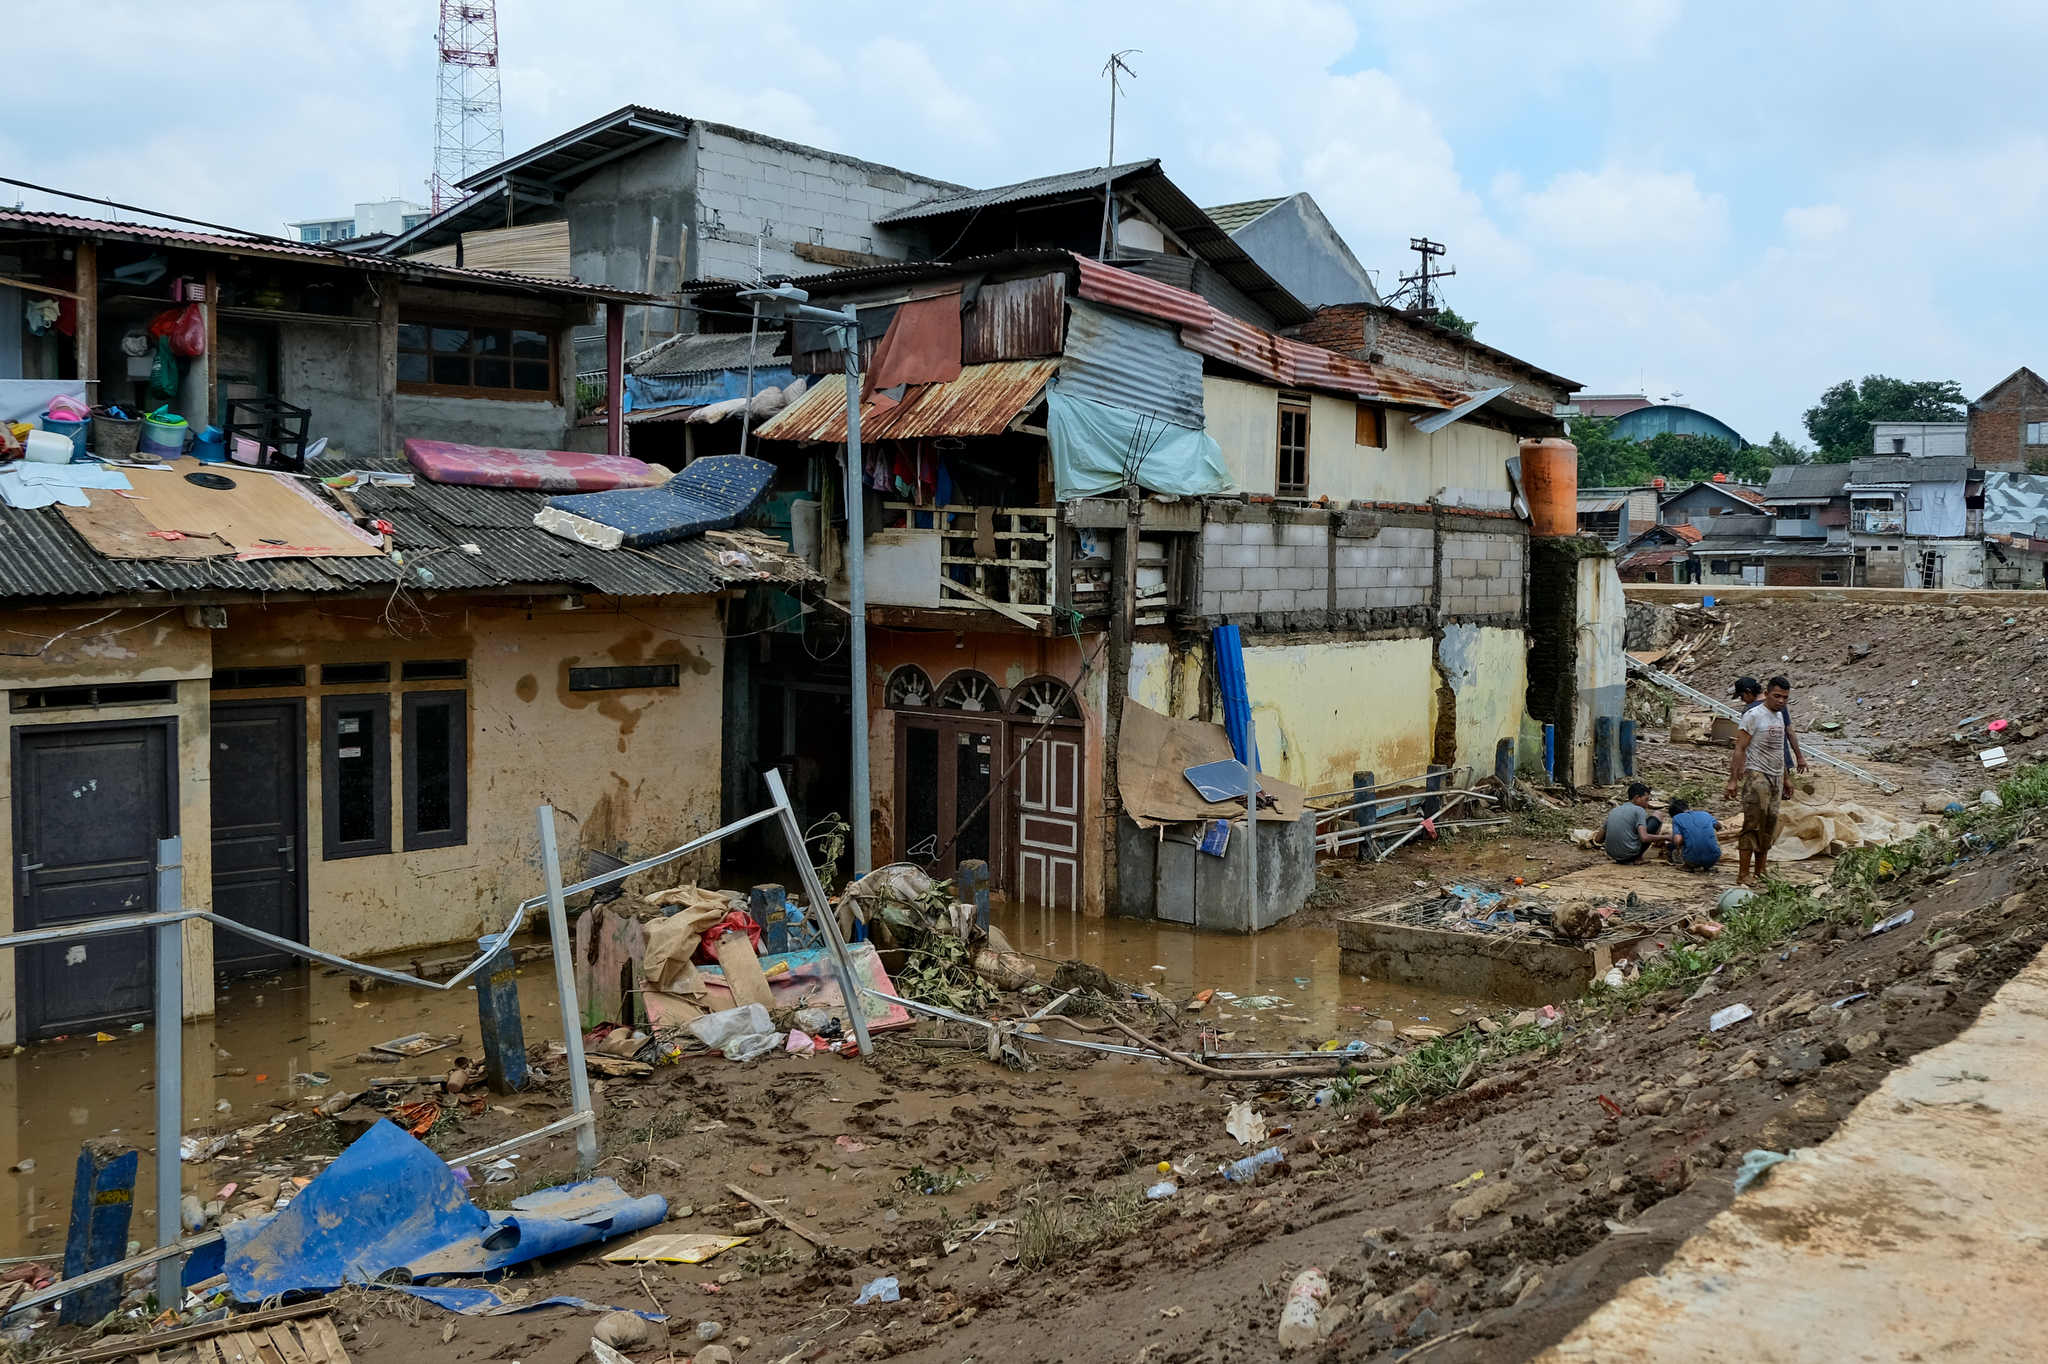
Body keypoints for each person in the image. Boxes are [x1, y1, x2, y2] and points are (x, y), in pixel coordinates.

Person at [1725, 675, 1794, 884]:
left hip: (1776, 776)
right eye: (1777, 696)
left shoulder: (1780, 716)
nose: (1781, 701)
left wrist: (1786, 778)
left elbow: (1779, 751)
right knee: (1753, 824)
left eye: (1785, 697)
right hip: (1757, 776)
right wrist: (1733, 780)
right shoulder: (1753, 715)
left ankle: (1760, 870)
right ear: (1767, 693)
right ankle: (1743, 873)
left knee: (1769, 826)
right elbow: (1739, 749)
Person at [1731, 675, 1806, 777]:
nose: (1743, 700)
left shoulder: (1751, 711)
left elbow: (1742, 744)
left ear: (1748, 692)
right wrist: (1799, 757)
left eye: (1742, 696)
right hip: (1780, 764)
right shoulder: (1780, 705)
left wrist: (1739, 769)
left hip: (1758, 768)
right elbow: (1790, 732)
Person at [1601, 781, 1666, 865]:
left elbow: (1598, 839)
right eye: (1646, 800)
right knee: (1657, 814)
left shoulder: (1614, 810)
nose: (1647, 804)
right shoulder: (1639, 810)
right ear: (1637, 798)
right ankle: (1638, 858)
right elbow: (1644, 838)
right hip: (1630, 855)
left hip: (1613, 855)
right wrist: (1666, 837)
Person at [1666, 796, 1723, 872]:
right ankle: (1707, 866)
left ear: (1673, 814)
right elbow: (1718, 826)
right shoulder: (1705, 814)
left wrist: (1677, 848)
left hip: (1692, 859)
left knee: (1684, 840)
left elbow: (1678, 840)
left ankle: (1688, 866)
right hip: (1714, 858)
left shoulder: (1677, 818)